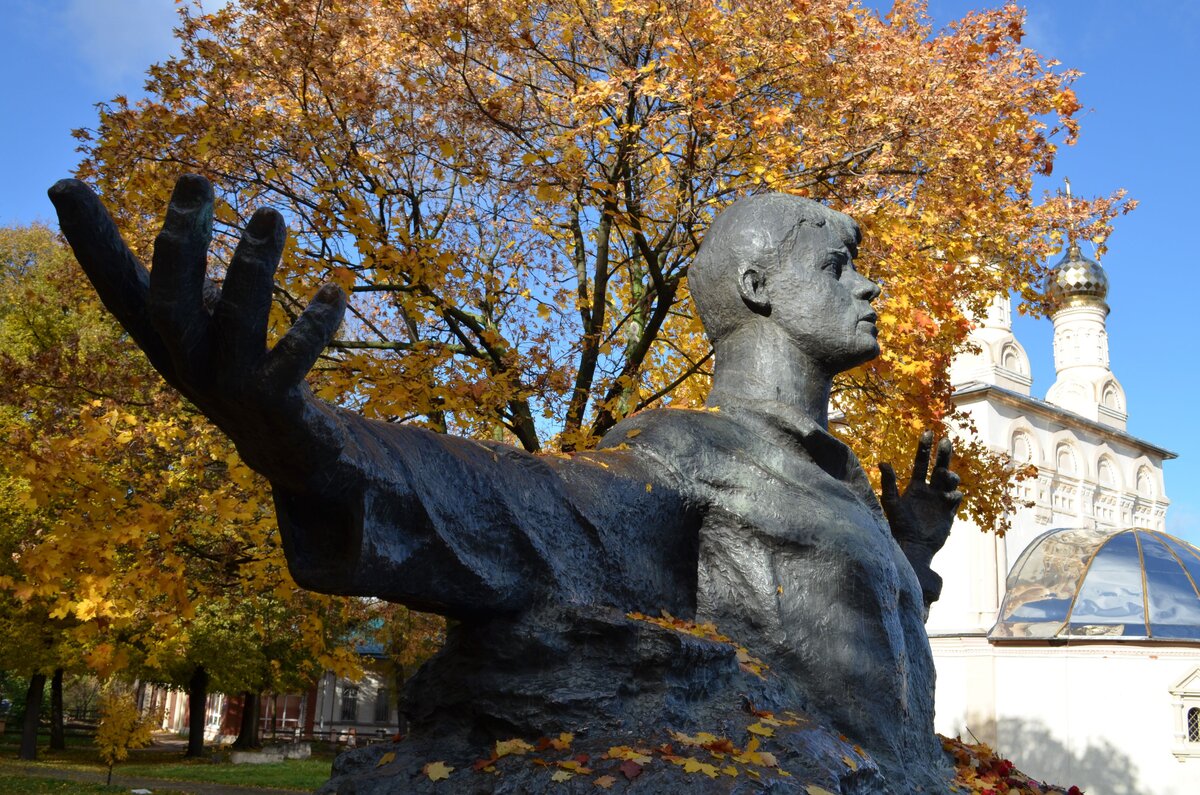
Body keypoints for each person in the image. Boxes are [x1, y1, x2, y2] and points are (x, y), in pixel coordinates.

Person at [48, 176, 960, 780]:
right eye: (839, 266)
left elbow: (841, 648)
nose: (869, 287)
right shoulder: (688, 450)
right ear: (759, 287)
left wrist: (903, 551)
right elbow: (517, 499)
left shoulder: (838, 484)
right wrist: (308, 436)